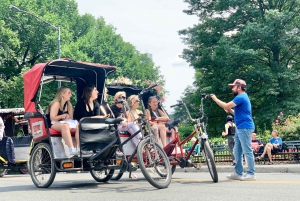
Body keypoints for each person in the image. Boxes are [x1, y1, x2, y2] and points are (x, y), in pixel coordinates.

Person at [210, 79, 255, 181]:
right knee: (236, 150)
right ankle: (238, 173)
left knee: (247, 151)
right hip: (240, 127)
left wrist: (215, 99)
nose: (232, 89)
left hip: (245, 127)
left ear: (239, 87)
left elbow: (225, 105)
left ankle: (251, 174)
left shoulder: (241, 97)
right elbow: (238, 113)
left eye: (233, 87)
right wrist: (230, 110)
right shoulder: (242, 97)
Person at [47, 86, 79, 156]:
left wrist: (68, 117)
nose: (71, 95)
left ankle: (79, 148)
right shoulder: (56, 103)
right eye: (69, 93)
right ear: (62, 94)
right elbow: (52, 118)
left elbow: (71, 118)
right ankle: (71, 148)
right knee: (65, 126)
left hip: (65, 122)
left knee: (78, 126)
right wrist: (63, 115)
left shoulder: (69, 105)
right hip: (54, 123)